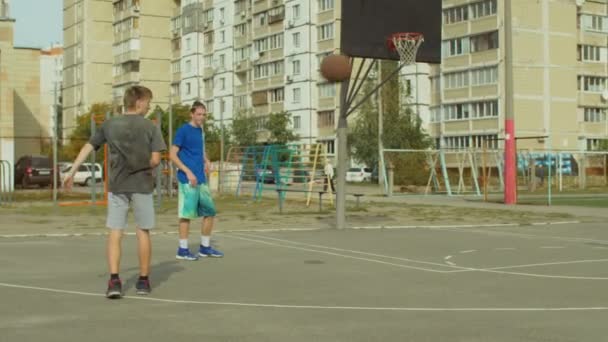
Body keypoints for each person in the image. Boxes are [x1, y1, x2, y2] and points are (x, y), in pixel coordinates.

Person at [63, 85, 166, 299]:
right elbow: (156, 160)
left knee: (115, 232)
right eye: (148, 101)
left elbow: (89, 146)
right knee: (143, 231)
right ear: (138, 102)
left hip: (118, 185)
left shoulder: (109, 125)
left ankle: (114, 281)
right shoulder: (150, 127)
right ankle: (144, 280)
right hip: (142, 185)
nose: (149, 106)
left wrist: (72, 170)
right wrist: (143, 163)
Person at [170, 101, 223, 261]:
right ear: (192, 114)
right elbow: (172, 155)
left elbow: (198, 150)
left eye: (204, 114)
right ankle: (183, 250)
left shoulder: (201, 130)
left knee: (210, 212)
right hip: (187, 179)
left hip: (201, 178)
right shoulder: (183, 131)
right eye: (199, 114)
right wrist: (188, 172)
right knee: (186, 215)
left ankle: (205, 247)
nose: (202, 117)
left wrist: (206, 160)